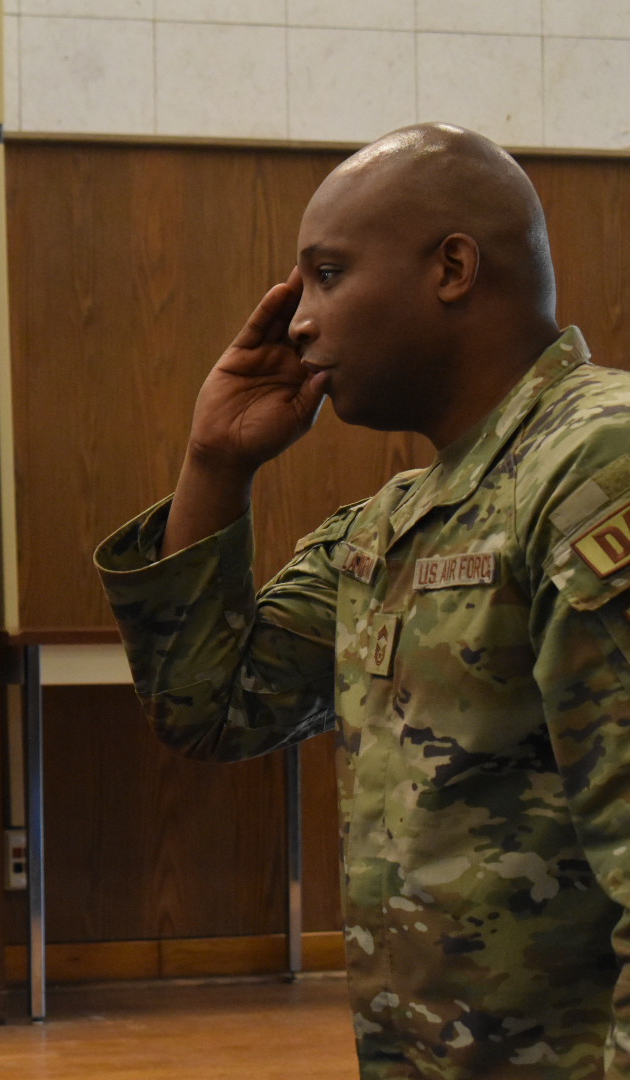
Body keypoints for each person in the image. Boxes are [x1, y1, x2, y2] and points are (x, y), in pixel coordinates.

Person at [96, 123, 630, 1076]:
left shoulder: (597, 464)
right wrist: (215, 465)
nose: (298, 319)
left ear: (453, 268)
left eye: (328, 275)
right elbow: (213, 708)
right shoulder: (395, 521)